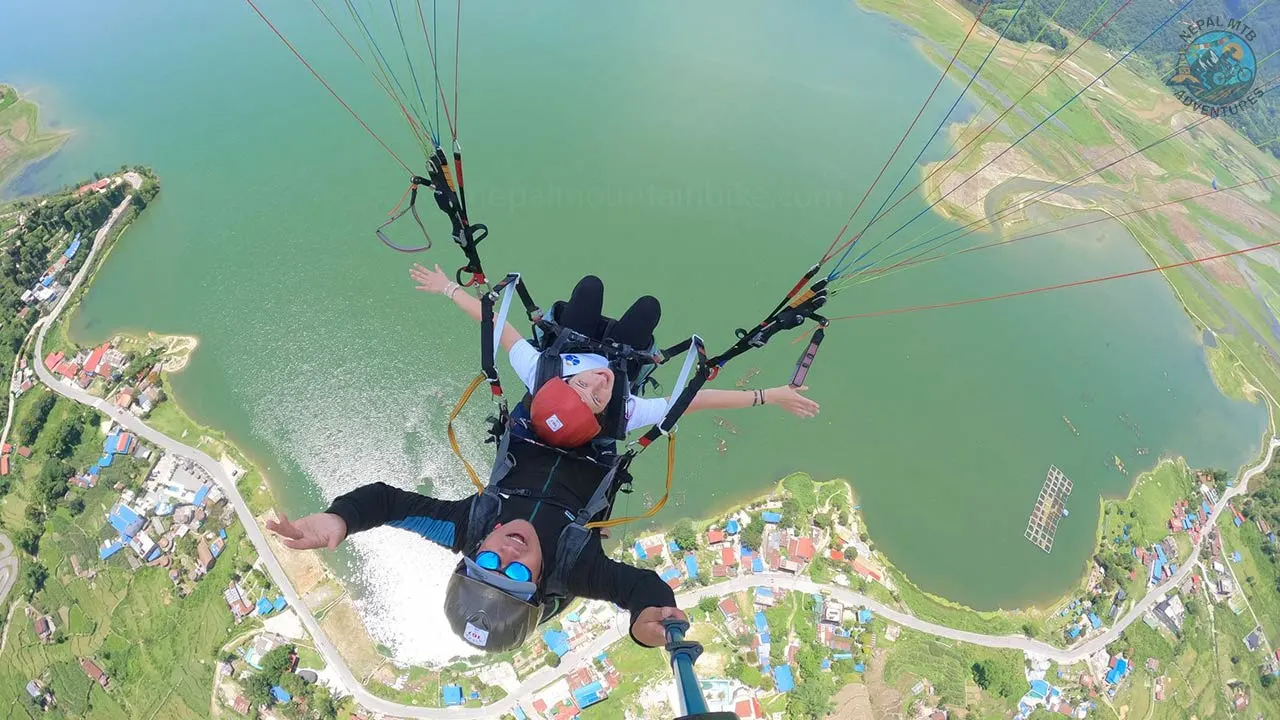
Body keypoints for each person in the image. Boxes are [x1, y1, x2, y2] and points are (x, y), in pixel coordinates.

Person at [266, 265, 820, 653]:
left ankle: (585, 344)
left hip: (561, 385)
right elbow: (640, 590)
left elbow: (386, 503)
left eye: (486, 565)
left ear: (469, 557)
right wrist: (644, 627)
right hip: (609, 405)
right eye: (515, 575)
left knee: (589, 290)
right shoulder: (572, 568)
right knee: (646, 310)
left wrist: (338, 519)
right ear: (538, 588)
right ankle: (610, 358)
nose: (505, 554)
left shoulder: (468, 526)